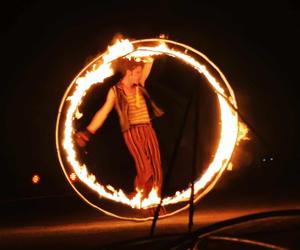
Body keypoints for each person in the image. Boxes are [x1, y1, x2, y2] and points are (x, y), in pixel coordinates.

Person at [75, 57, 165, 207]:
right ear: (128, 72)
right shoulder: (115, 91)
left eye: (140, 72)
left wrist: (152, 48)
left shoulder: (139, 84)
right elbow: (103, 112)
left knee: (156, 166)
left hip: (148, 129)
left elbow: (149, 62)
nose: (139, 75)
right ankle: (141, 195)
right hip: (131, 132)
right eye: (136, 72)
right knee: (145, 168)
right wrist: (89, 132)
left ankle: (155, 201)